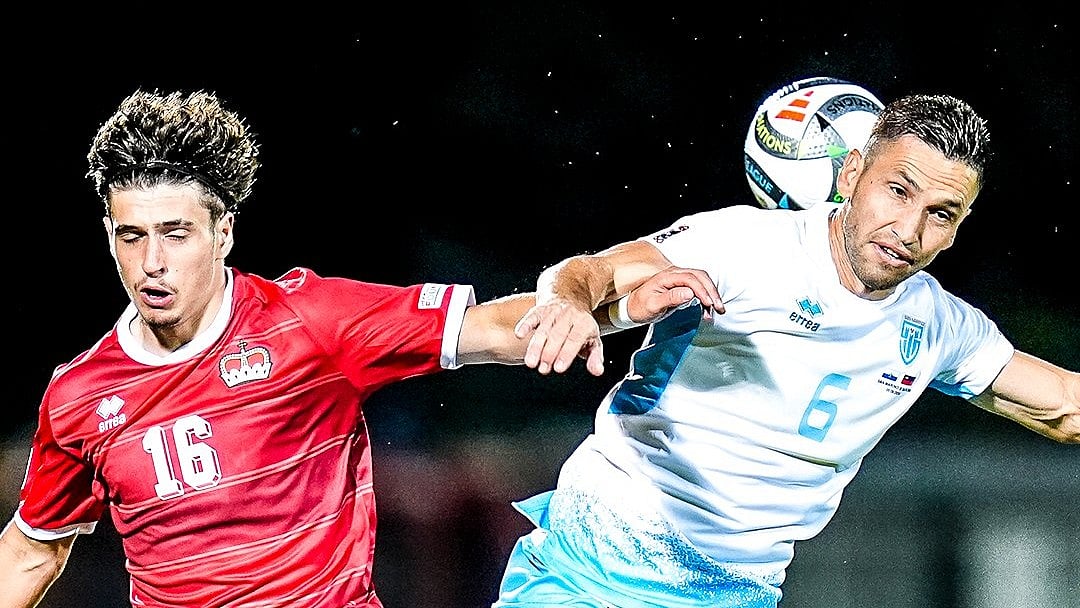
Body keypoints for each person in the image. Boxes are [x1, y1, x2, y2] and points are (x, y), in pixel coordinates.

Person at [0, 88, 715, 608]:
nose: (153, 261)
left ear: (222, 234)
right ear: (109, 238)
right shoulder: (80, 396)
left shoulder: (312, 321)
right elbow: (34, 548)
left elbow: (494, 326)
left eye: (175, 233)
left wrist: (603, 302)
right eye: (132, 236)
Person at [497, 92, 1079, 608]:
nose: (908, 229)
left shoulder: (941, 325)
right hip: (586, 564)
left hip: (734, 593)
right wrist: (568, 302)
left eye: (940, 214)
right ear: (851, 175)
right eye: (897, 191)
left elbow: (1063, 406)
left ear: (958, 228)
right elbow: (590, 272)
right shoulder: (746, 245)